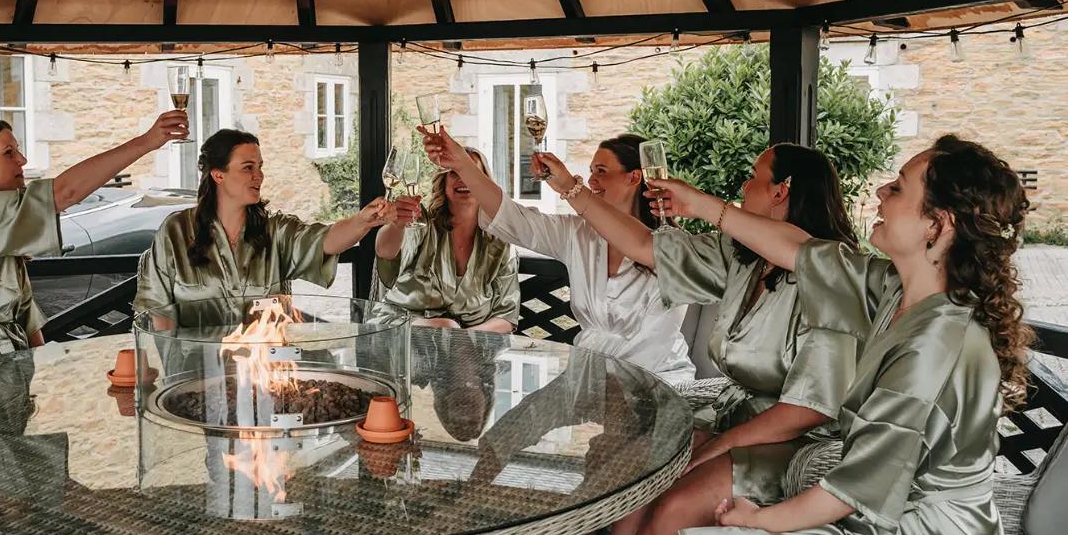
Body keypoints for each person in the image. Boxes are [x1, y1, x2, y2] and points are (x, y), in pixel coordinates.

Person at [656, 135, 1031, 535]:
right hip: (881, 509)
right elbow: (801, 252)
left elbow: (856, 487)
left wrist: (760, 520)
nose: (880, 191)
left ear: (938, 225)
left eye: (898, 187)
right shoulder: (894, 289)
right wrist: (701, 205)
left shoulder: (935, 345)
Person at [533, 144, 869, 535]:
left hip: (795, 436)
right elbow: (643, 245)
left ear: (781, 191)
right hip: (731, 413)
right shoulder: (743, 259)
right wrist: (569, 188)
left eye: (754, 176)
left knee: (675, 501)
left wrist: (713, 448)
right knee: (638, 471)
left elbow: (809, 409)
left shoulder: (834, 273)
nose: (744, 186)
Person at [0, 111, 188, 388]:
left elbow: (23, 315)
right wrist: (147, 142)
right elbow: (65, 192)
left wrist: (46, 375)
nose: (23, 160)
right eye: (9, 153)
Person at [420, 127, 693, 382]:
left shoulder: (670, 249)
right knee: (512, 427)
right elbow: (513, 218)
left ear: (633, 177)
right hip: (590, 374)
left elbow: (656, 341)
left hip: (656, 379)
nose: (591, 181)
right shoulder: (578, 235)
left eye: (600, 171)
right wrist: (461, 164)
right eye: (590, 171)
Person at [133, 128, 394, 313]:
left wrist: (362, 221)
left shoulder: (274, 230)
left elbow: (326, 241)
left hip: (264, 371)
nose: (259, 176)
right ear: (218, 175)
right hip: (195, 373)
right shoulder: (176, 231)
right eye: (248, 167)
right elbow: (156, 310)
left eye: (260, 166)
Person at [373, 147, 519, 333]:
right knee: (446, 327)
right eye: (453, 173)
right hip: (404, 333)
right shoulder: (422, 222)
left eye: (470, 172)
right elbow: (386, 251)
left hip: (469, 350)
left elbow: (506, 317)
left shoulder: (500, 242)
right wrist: (397, 225)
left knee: (448, 331)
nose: (462, 179)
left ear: (484, 183)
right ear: (443, 181)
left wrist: (463, 338)